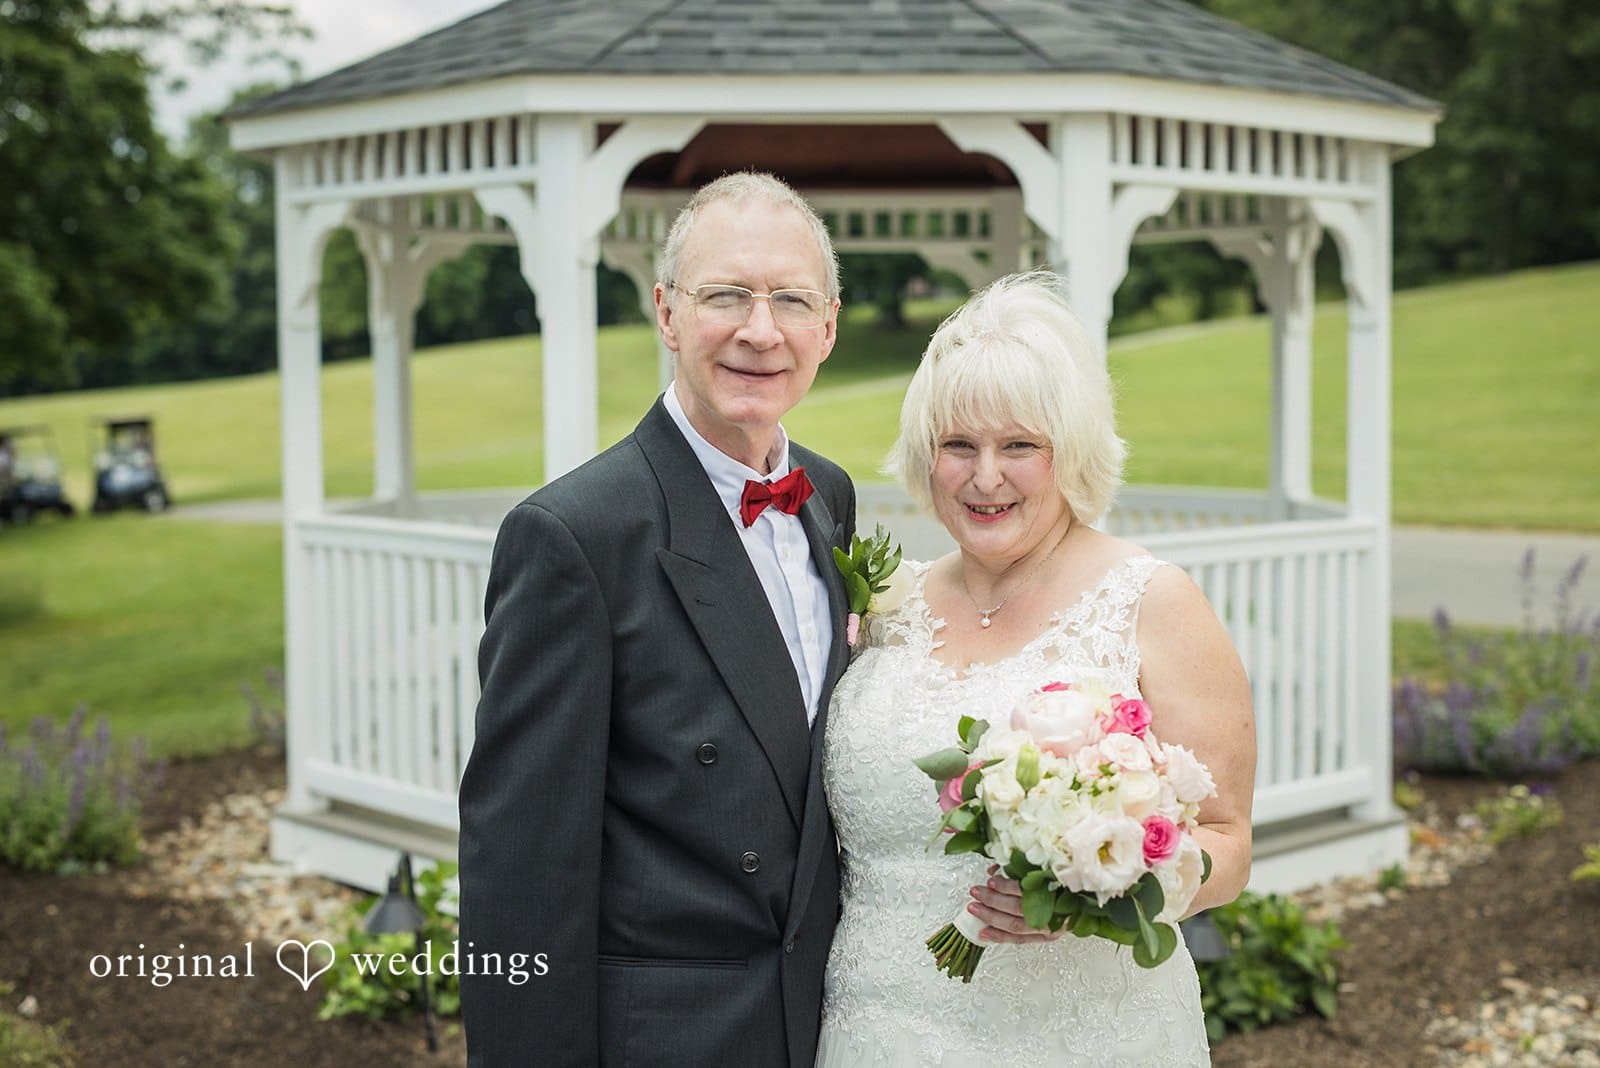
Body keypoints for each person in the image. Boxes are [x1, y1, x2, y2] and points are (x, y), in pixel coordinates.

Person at [457, 172, 857, 1067]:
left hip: (829, 1019)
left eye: (790, 299)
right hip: (669, 1036)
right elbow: (519, 870)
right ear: (668, 313)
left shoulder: (828, 498)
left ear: (827, 325)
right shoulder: (572, 537)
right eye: (727, 296)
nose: (761, 330)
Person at [816, 271, 1256, 1066]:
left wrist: (1105, 894)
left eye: (1020, 445)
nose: (986, 476)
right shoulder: (886, 607)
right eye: (960, 445)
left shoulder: (1152, 602)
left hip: (1088, 1035)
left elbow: (1227, 841)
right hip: (877, 1026)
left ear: (1072, 450)